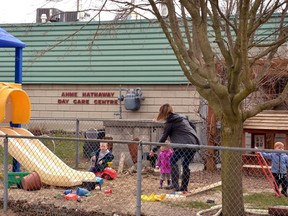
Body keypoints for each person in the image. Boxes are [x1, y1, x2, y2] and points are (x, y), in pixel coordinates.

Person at [150, 103, 201, 192]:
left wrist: (154, 149)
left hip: (183, 145)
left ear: (163, 113)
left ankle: (175, 185)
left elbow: (163, 137)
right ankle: (184, 187)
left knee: (172, 161)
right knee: (185, 165)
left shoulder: (170, 122)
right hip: (194, 143)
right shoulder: (182, 117)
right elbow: (193, 126)